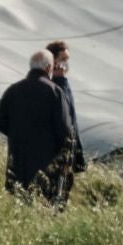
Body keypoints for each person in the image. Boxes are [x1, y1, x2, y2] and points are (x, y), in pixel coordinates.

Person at [0, 48, 73, 203]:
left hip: (18, 161)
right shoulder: (55, 92)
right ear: (48, 68)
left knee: (19, 203)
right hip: (45, 164)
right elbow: (65, 130)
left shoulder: (13, 90)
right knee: (42, 205)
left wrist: (17, 133)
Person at [45, 38, 89, 206]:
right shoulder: (50, 85)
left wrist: (78, 154)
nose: (65, 64)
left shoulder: (64, 84)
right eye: (62, 59)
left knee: (63, 193)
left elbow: (72, 120)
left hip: (67, 153)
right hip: (55, 153)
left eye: (67, 59)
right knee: (53, 195)